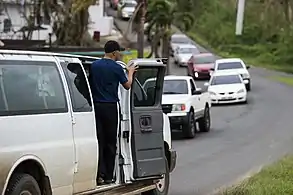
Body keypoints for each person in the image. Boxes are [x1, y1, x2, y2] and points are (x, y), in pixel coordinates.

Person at [90, 40, 137, 185]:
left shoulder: (94, 66)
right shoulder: (116, 68)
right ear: (114, 53)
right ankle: (109, 176)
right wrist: (130, 72)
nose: (119, 54)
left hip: (96, 107)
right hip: (110, 107)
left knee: (99, 141)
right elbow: (127, 85)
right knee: (111, 143)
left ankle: (99, 174)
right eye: (119, 52)